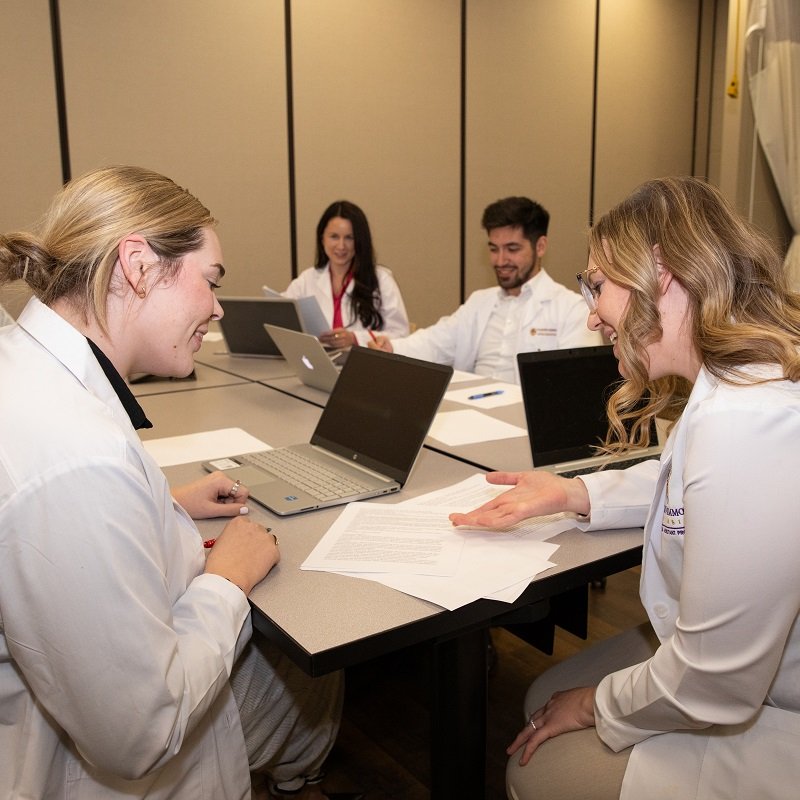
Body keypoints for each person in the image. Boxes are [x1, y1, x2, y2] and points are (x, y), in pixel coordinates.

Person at [0, 166, 347, 800]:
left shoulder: (21, 362)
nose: (216, 307)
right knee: (313, 659)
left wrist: (161, 500)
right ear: (137, 266)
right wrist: (228, 578)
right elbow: (138, 735)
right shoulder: (79, 459)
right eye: (210, 281)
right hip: (73, 769)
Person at [450, 177, 800, 799]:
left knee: (537, 766)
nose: (591, 313)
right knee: (538, 696)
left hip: (776, 711)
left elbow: (712, 679)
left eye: (597, 285)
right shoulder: (740, 383)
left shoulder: (747, 424)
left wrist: (592, 706)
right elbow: (694, 481)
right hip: (756, 675)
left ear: (661, 274)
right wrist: (573, 494)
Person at [369, 196, 601, 383]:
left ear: (540, 246)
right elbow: (436, 341)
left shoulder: (572, 310)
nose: (500, 261)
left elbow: (577, 385)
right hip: (473, 415)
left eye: (512, 248)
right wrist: (392, 347)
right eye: (493, 249)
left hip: (528, 424)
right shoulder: (479, 302)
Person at [283, 199, 409, 348]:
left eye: (349, 238)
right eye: (334, 236)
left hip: (362, 365)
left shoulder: (381, 280)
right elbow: (281, 317)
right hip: (319, 364)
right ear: (322, 238)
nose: (341, 246)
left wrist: (355, 338)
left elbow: (401, 334)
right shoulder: (307, 280)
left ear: (360, 241)